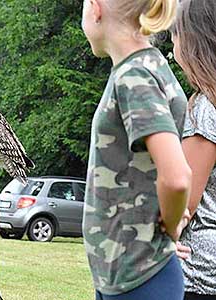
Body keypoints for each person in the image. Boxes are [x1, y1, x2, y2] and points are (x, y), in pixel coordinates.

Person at [81, 0, 192, 299]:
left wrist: (170, 226)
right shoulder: (143, 68)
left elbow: (177, 176)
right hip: (126, 275)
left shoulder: (135, 76)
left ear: (95, 8)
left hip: (140, 277)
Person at [170, 1, 216, 299]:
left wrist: (161, 236)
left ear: (191, 41)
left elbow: (184, 199)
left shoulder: (205, 107)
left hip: (197, 274)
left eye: (174, 35)